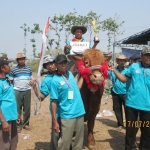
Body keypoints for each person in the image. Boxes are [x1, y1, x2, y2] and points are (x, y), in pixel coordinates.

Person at [109, 46, 150, 150]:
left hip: (147, 107)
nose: (149, 57)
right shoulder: (134, 67)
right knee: (130, 130)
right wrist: (114, 70)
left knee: (146, 131)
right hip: (132, 104)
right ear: (141, 56)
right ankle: (129, 147)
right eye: (147, 55)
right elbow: (124, 79)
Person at [50, 54, 85, 150]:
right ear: (56, 65)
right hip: (67, 115)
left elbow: (77, 88)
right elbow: (54, 102)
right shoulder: (54, 81)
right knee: (64, 143)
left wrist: (82, 75)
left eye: (65, 62)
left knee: (77, 143)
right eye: (60, 63)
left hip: (79, 112)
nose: (63, 64)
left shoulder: (70, 74)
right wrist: (54, 121)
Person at [32, 55, 60, 150]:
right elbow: (41, 97)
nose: (50, 66)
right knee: (56, 132)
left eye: (52, 63)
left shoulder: (64, 73)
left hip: (70, 108)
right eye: (47, 65)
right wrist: (34, 87)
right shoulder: (46, 80)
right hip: (57, 110)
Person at [9, 53, 33, 132]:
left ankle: (26, 124)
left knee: (27, 108)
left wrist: (32, 81)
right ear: (17, 61)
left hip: (27, 90)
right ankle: (19, 125)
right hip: (17, 90)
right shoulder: (14, 70)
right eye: (20, 59)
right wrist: (14, 88)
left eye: (23, 59)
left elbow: (31, 78)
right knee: (17, 108)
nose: (21, 60)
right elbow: (10, 80)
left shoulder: (28, 69)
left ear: (24, 60)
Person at [0, 57, 21, 150]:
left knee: (13, 142)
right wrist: (3, 121)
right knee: (5, 145)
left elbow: (10, 98)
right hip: (5, 118)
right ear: (2, 68)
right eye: (7, 65)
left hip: (12, 116)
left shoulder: (8, 80)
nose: (9, 67)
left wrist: (16, 113)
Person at [108, 54, 128, 131]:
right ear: (117, 61)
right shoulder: (112, 70)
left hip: (125, 93)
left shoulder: (127, 70)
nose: (121, 62)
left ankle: (128, 124)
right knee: (117, 109)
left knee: (128, 110)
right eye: (120, 60)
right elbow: (106, 74)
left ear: (125, 61)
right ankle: (120, 124)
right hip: (115, 92)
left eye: (123, 60)